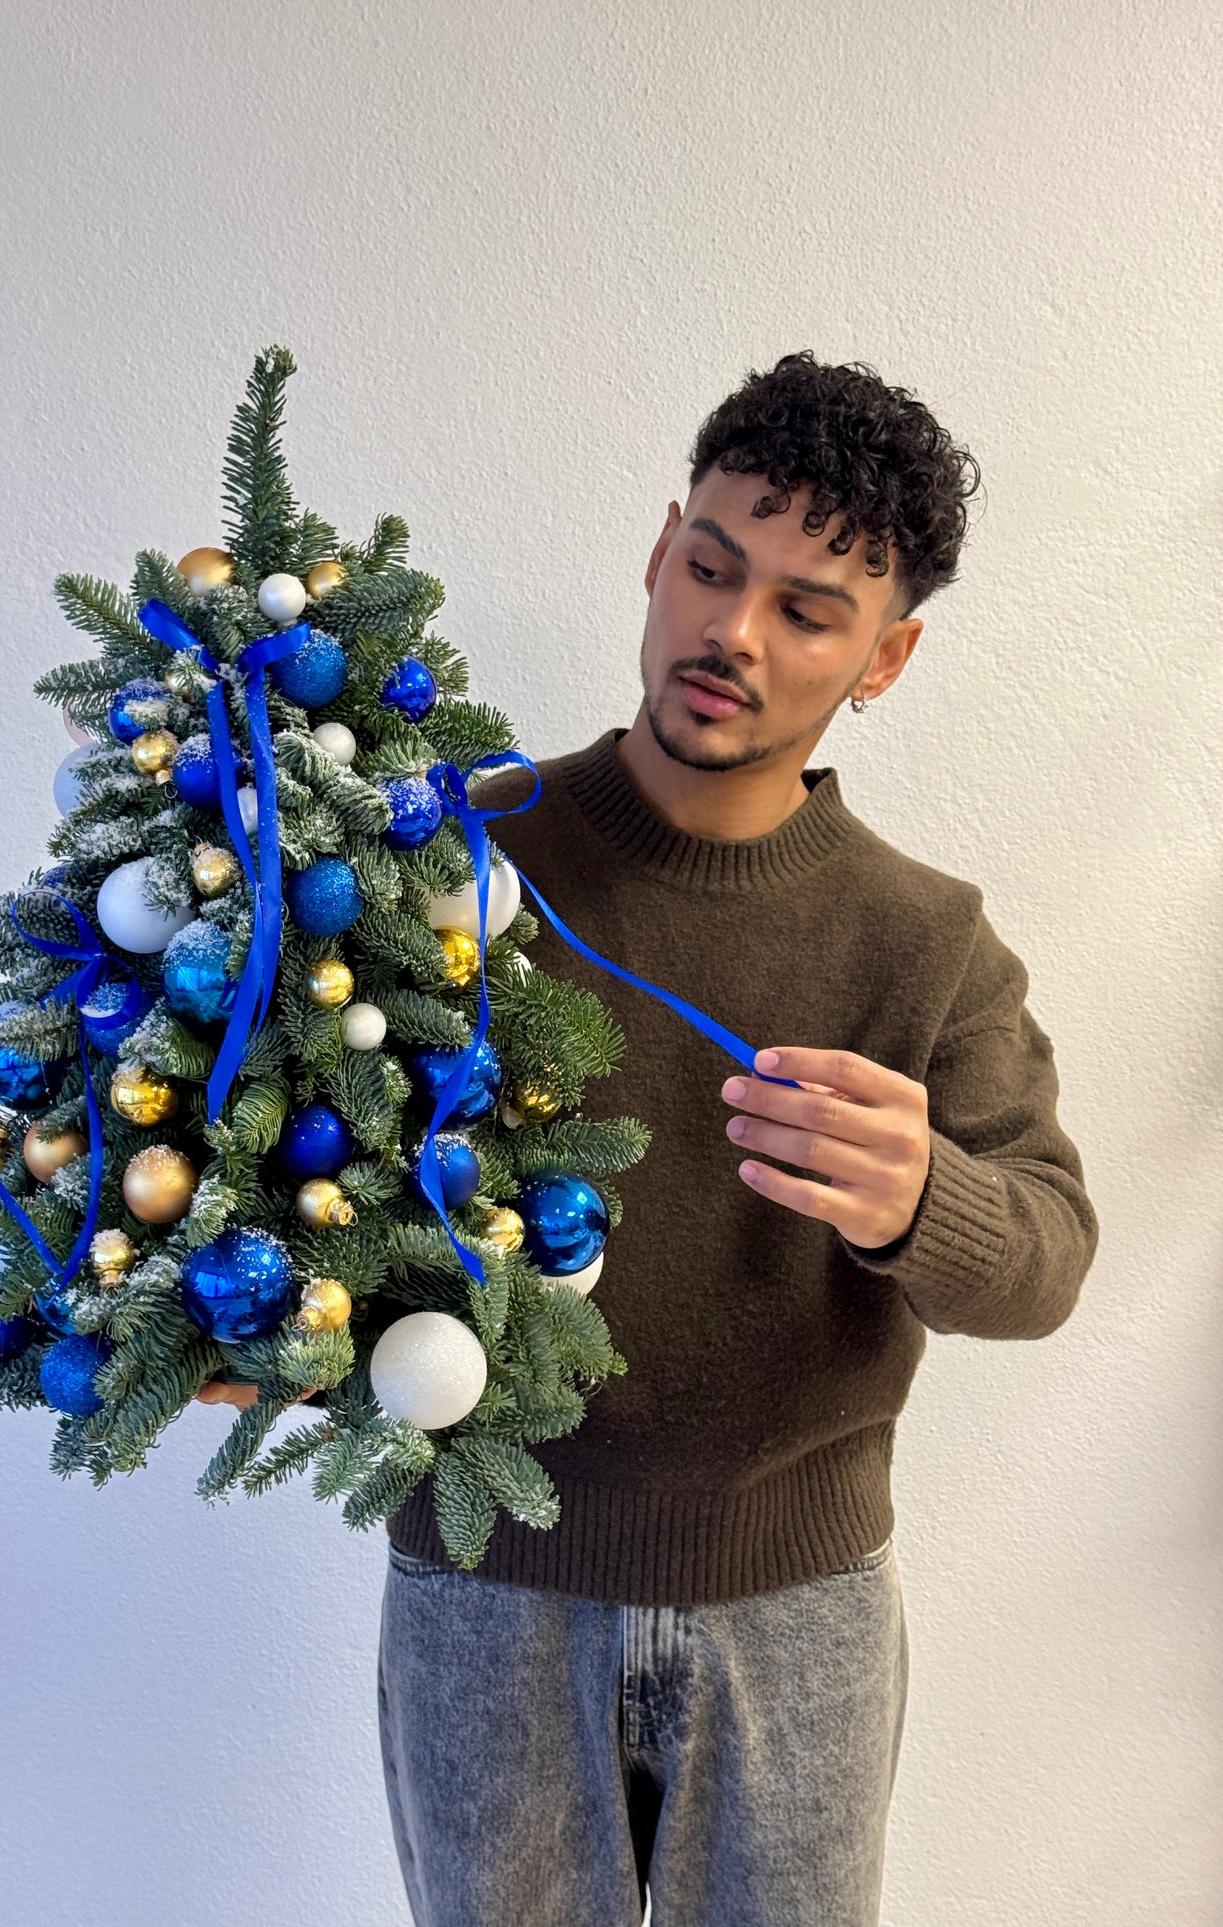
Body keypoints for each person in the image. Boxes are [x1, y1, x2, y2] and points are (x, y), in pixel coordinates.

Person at [205, 350, 1100, 1925]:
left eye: (807, 610)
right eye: (708, 567)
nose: (730, 634)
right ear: (657, 550)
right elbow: (301, 1146)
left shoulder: (926, 943)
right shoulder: (443, 867)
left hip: (798, 1617)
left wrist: (926, 1203)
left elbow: (1042, 1266)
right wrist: (256, 1298)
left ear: (882, 660)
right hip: (484, 1595)